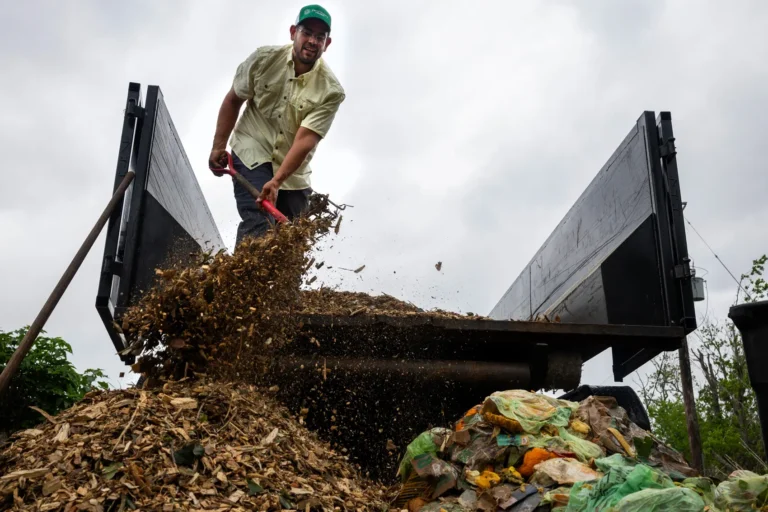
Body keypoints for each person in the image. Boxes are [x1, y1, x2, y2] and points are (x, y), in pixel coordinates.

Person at [208, 4, 345, 246]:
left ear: (327, 44)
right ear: (293, 32)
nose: (312, 41)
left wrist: (278, 181)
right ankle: (242, 272)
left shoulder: (330, 91)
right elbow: (233, 100)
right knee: (260, 225)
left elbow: (305, 140)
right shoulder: (263, 60)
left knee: (289, 246)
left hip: (293, 175)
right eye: (306, 33)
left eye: (320, 37)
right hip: (252, 150)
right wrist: (218, 146)